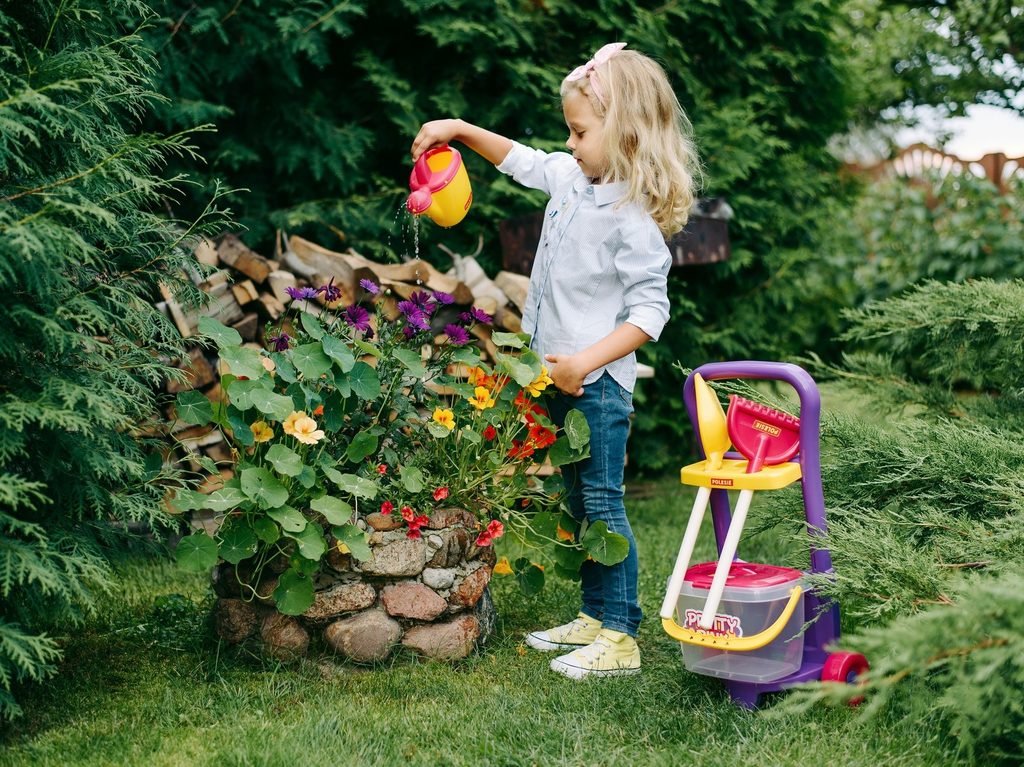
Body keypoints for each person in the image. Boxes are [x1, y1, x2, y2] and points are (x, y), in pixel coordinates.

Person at [410, 43, 700, 678]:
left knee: (602, 502)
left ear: (624, 132)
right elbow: (518, 159)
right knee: (577, 501)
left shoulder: (632, 217)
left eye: (580, 131)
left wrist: (584, 364)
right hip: (557, 374)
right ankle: (596, 615)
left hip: (595, 385)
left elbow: (651, 313)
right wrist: (456, 130)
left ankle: (622, 636)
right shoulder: (573, 179)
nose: (570, 144)